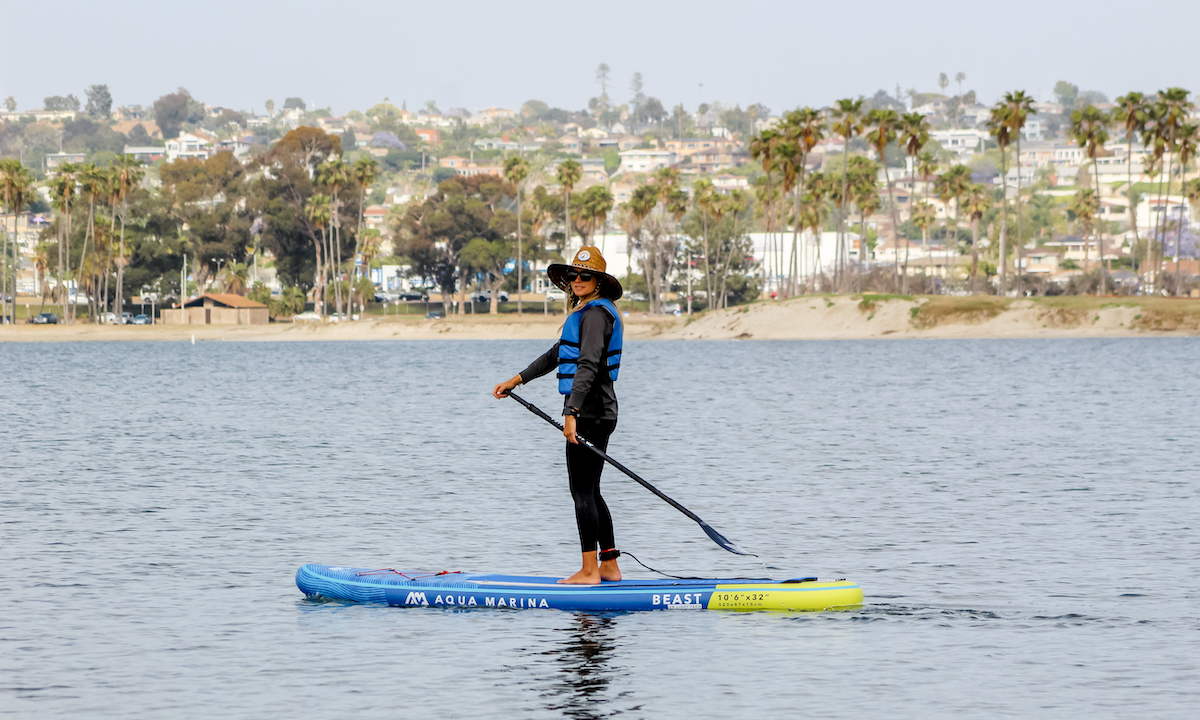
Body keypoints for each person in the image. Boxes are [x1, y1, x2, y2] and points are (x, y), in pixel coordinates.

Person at [493, 246, 624, 585]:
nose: (577, 281)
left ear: (598, 282)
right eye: (574, 276)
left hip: (590, 412)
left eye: (586, 276)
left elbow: (589, 364)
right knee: (591, 490)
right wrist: (517, 379)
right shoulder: (588, 313)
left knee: (581, 491)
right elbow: (556, 354)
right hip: (598, 411)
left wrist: (572, 412)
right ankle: (608, 565)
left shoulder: (595, 315)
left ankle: (589, 571)